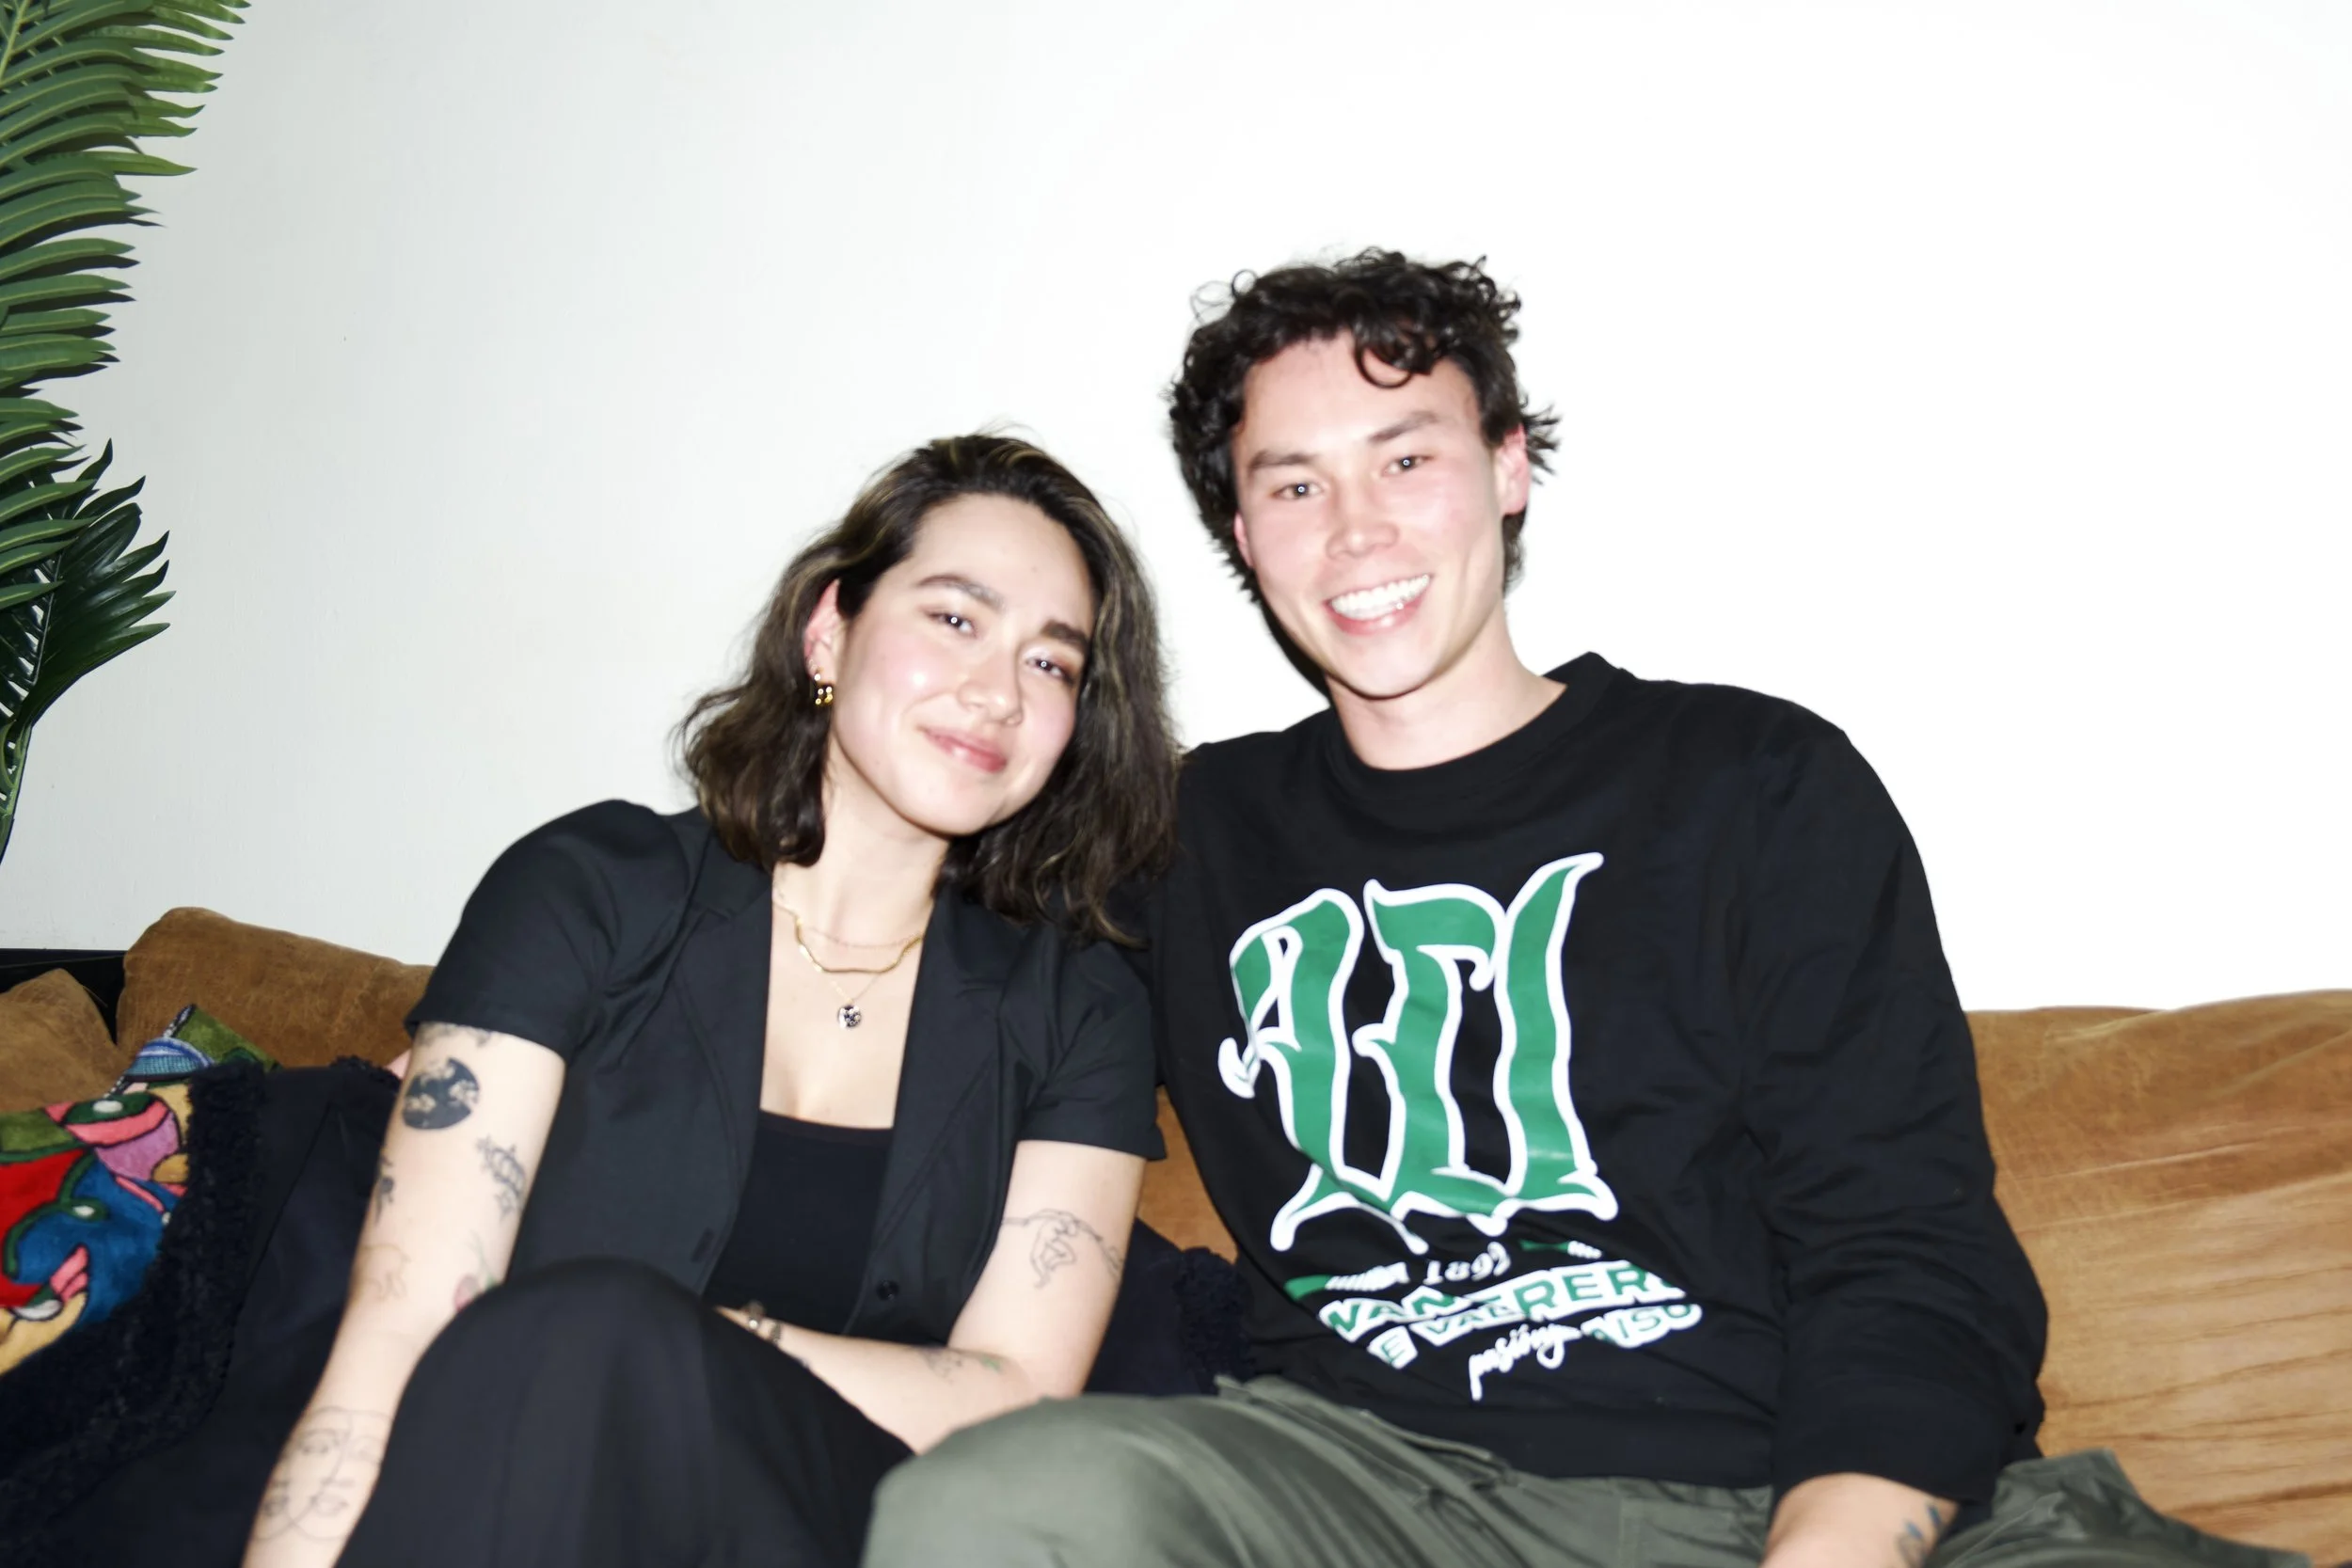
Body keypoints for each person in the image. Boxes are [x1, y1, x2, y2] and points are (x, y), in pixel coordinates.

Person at [862, 257, 2311, 1568]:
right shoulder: (1183, 836)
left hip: (1790, 1486)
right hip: (1383, 1492)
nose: (1357, 532)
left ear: (1509, 467)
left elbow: (1909, 1253)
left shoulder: (1753, 784)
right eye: (1295, 484)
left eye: (1408, 456)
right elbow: (883, 924)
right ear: (1243, 533)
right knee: (995, 1502)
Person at [242, 434, 1179, 1568]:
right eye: (955, 618)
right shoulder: (587, 890)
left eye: (1051, 663)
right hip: (504, 1489)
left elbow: (1019, 1390)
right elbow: (401, 1325)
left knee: (595, 1334)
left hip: (834, 1520)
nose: (996, 691)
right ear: (830, 631)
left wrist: (688, 1347)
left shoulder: (1081, 1002)